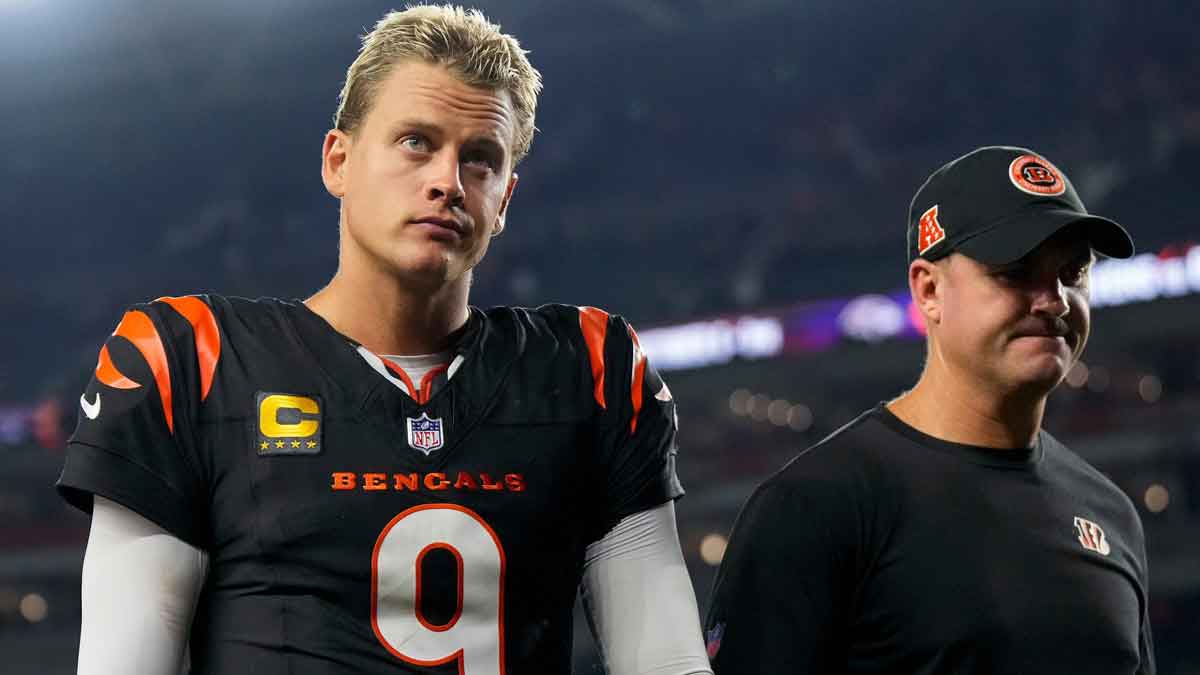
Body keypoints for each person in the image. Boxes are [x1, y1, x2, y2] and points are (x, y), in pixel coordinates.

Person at [57, 6, 713, 674]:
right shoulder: (192, 359)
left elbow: (666, 661)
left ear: (505, 200)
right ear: (338, 161)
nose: (447, 183)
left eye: (479, 159)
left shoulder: (590, 368)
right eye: (416, 142)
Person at [704, 146, 1155, 674]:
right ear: (929, 289)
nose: (1054, 300)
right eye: (1015, 272)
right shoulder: (817, 505)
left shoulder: (1111, 513)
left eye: (1073, 271)